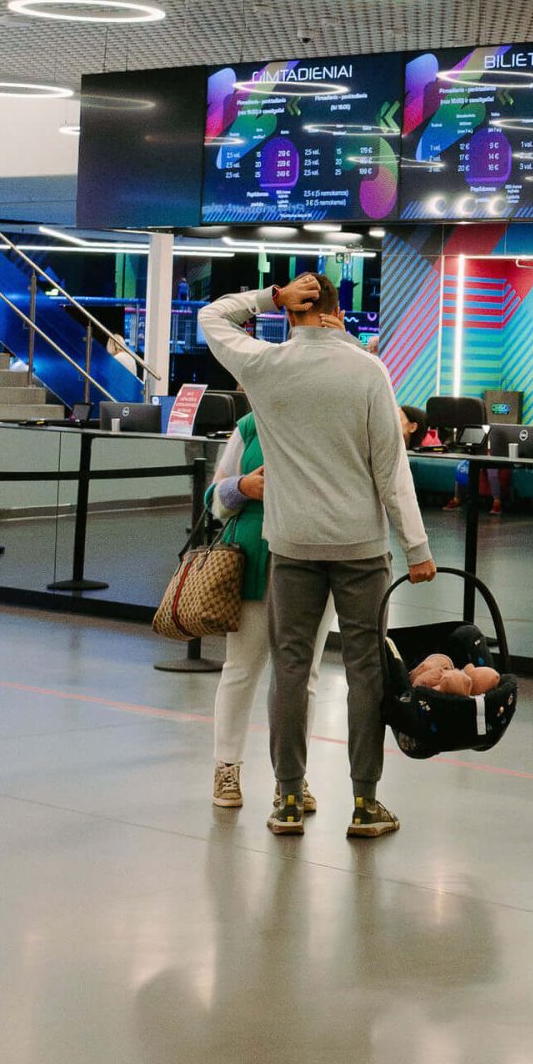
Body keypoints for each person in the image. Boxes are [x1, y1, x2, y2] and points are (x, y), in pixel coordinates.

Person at [199, 271, 436, 842]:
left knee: (289, 668)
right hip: (360, 549)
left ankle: (286, 799)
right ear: (337, 313)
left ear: (291, 310)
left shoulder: (266, 365)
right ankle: (364, 804)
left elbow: (211, 317)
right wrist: (416, 547)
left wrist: (268, 297)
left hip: (292, 545)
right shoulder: (367, 369)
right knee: (365, 672)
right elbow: (391, 468)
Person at [208, 406, 330, 814]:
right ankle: (226, 767)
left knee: (303, 677)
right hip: (254, 561)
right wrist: (241, 487)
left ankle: (291, 777)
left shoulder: (331, 420)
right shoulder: (250, 426)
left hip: (317, 561)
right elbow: (214, 498)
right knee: (241, 669)